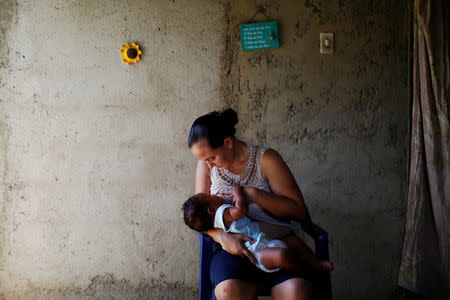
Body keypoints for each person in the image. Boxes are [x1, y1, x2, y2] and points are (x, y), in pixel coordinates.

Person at [188, 108, 320, 300]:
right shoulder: (206, 166)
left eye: (211, 158)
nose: (208, 165)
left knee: (295, 292)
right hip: (232, 251)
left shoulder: (267, 160)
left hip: (277, 243)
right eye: (203, 160)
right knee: (229, 291)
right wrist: (224, 239)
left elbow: (298, 212)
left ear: (227, 142)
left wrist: (254, 195)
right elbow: (199, 218)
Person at [182, 187, 333, 273]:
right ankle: (306, 264)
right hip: (258, 250)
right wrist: (237, 193)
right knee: (282, 256)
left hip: (263, 241)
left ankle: (313, 263)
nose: (214, 194)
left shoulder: (215, 220)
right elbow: (240, 210)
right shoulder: (223, 213)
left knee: (293, 242)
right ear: (211, 210)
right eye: (210, 196)